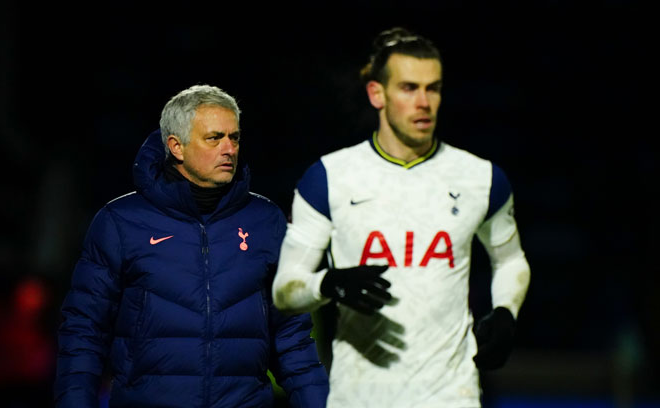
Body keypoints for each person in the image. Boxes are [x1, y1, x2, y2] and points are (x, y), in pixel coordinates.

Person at [271, 27, 531, 407]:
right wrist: (328, 285)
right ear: (377, 93)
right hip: (359, 396)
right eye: (409, 88)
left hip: (452, 395)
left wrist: (506, 312)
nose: (424, 101)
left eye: (434, 88)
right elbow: (284, 289)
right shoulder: (329, 178)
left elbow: (510, 260)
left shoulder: (480, 178)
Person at [54, 84, 329, 408]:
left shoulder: (265, 221)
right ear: (176, 146)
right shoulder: (120, 222)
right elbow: (84, 334)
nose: (229, 148)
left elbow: (292, 341)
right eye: (214, 138)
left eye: (235, 137)